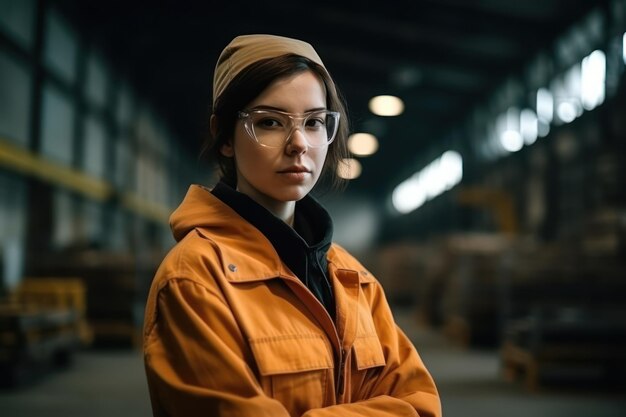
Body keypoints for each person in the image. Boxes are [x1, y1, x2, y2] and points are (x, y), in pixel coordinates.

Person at [143, 34, 441, 417]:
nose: (299, 142)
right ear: (225, 138)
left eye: (314, 122)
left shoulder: (355, 281)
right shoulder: (195, 281)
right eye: (270, 122)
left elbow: (422, 405)